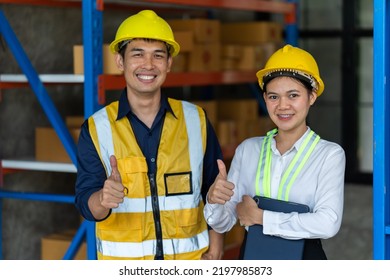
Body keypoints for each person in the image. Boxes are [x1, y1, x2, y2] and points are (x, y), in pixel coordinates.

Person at [74, 10, 224, 260]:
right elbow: (86, 203)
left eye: (158, 55)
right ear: (120, 61)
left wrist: (217, 247)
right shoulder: (96, 128)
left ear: (169, 64)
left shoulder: (195, 120)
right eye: (137, 54)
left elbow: (214, 191)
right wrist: (102, 198)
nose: (148, 65)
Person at [204, 44, 346, 260]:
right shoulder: (248, 150)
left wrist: (260, 217)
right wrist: (215, 200)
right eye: (273, 97)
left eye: (293, 95)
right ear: (265, 99)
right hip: (254, 256)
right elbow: (224, 222)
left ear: (312, 97)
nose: (282, 106)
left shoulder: (329, 155)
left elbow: (328, 223)